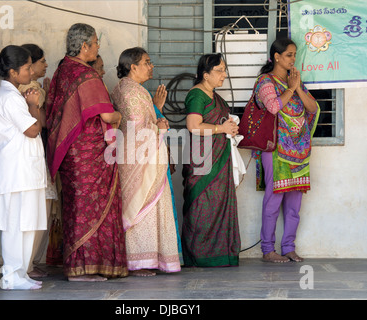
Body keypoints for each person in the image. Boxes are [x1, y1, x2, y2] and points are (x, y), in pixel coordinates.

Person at [46, 23, 128, 281]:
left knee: (76, 206)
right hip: (90, 156)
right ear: (84, 47)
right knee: (89, 208)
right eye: (95, 42)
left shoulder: (62, 71)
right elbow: (106, 114)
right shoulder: (86, 75)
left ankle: (78, 266)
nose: (98, 46)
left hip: (71, 155)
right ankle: (85, 268)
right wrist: (120, 115)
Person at [111, 47, 181, 276]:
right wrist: (158, 126)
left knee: (150, 209)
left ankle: (149, 259)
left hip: (144, 158)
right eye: (147, 62)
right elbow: (134, 127)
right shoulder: (130, 91)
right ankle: (137, 262)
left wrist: (157, 119)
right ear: (133, 66)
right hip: (138, 161)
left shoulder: (133, 89)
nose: (152, 66)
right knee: (141, 210)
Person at [255, 38, 319, 263]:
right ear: (277, 57)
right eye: (289, 55)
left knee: (294, 205)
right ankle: (267, 250)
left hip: (299, 152)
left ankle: (289, 247)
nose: (293, 59)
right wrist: (291, 88)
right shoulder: (265, 82)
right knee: (273, 201)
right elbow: (273, 107)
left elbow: (313, 108)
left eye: (295, 54)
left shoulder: (296, 82)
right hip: (276, 150)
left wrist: (297, 88)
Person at [0, 45, 47, 290]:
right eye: (26, 68)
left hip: (24, 171)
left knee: (26, 224)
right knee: (16, 225)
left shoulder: (14, 94)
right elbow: (32, 130)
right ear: (13, 72)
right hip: (16, 172)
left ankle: (20, 273)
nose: (30, 72)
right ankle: (12, 274)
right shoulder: (10, 97)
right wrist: (34, 104)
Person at [182, 53, 241, 267]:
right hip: (203, 162)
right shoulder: (198, 95)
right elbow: (193, 126)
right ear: (206, 75)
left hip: (219, 159)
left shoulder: (214, 96)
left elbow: (220, 122)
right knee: (202, 207)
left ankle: (220, 255)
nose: (224, 75)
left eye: (225, 70)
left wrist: (230, 128)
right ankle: (199, 256)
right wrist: (220, 128)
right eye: (220, 70)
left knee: (219, 206)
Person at [18, 43, 59, 279]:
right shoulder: (33, 89)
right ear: (29, 65)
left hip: (31, 155)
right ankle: (28, 264)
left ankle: (29, 262)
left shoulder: (22, 88)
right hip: (34, 154)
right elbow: (43, 122)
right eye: (42, 61)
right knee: (37, 210)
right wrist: (48, 97)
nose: (45, 65)